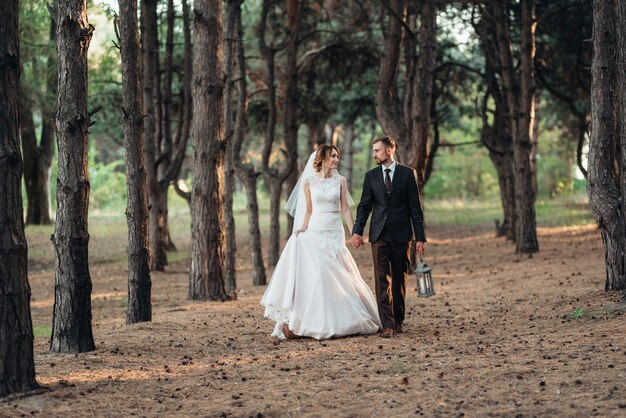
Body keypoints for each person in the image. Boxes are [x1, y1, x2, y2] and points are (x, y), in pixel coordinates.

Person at [260, 145, 381, 339]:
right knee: (318, 275)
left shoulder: (340, 181)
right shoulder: (308, 183)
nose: (336, 159)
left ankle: (346, 318)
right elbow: (308, 210)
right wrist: (302, 227)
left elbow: (346, 209)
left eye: (337, 156)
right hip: (315, 229)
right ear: (322, 158)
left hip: (334, 230)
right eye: (332, 156)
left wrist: (354, 232)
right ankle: (312, 321)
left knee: (341, 272)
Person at [351, 136, 427, 338]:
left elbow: (415, 208)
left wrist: (420, 238)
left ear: (389, 151)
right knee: (381, 278)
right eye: (373, 150)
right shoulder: (371, 176)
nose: (374, 154)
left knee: (399, 279)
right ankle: (387, 324)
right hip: (378, 234)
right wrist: (357, 231)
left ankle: (398, 320)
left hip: (402, 235)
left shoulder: (407, 174)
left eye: (377, 150)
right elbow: (364, 207)